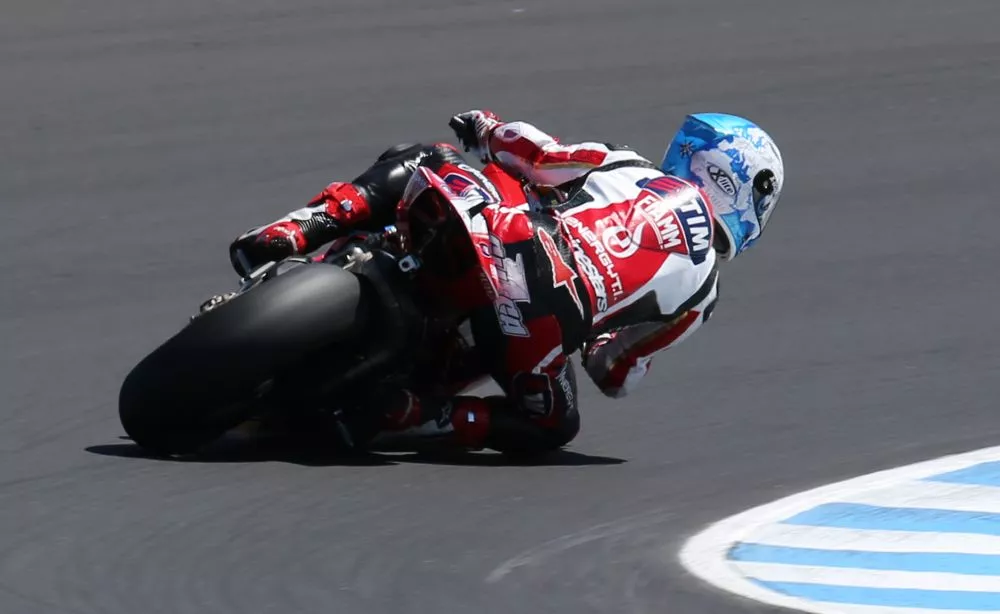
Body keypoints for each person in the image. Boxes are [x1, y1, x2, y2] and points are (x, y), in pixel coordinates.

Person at [228, 110, 785, 456]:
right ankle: (418, 412)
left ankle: (297, 230)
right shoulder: (701, 296)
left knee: (421, 157)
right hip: (535, 325)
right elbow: (613, 374)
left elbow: (537, 153)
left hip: (502, 234)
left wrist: (486, 128)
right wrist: (599, 330)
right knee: (553, 427)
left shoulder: (628, 165)